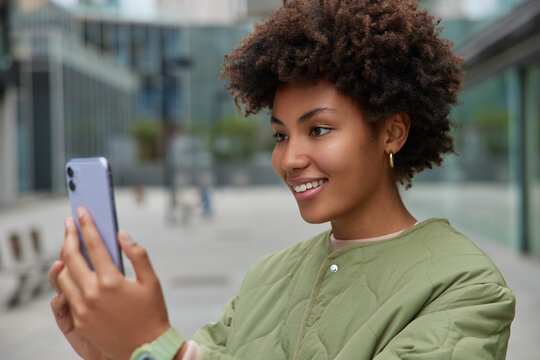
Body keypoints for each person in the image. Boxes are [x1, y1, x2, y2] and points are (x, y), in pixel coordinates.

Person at [49, 0, 516, 359]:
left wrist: (155, 343)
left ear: (391, 132)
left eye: (318, 129)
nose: (289, 158)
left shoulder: (465, 287)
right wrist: (125, 348)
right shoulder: (266, 276)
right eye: (279, 134)